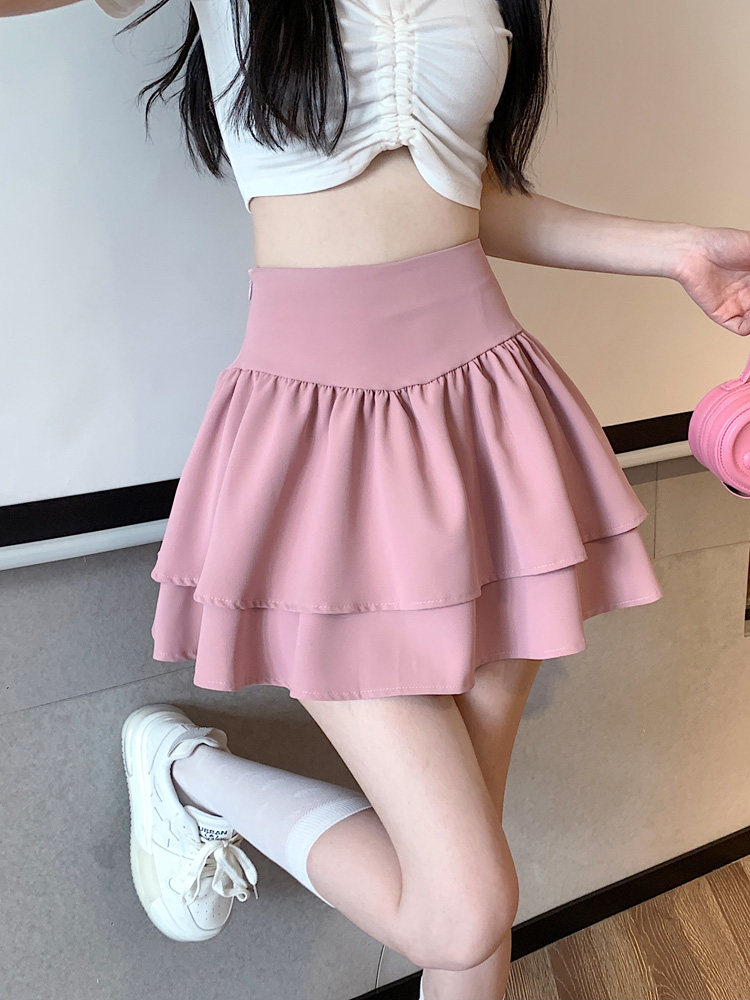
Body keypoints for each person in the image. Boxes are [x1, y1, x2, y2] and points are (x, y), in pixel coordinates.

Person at [10, 0, 750, 995]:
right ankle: (188, 772)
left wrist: (676, 248)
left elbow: (468, 194)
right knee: (463, 904)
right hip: (319, 444)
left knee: (472, 874)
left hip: (487, 418)